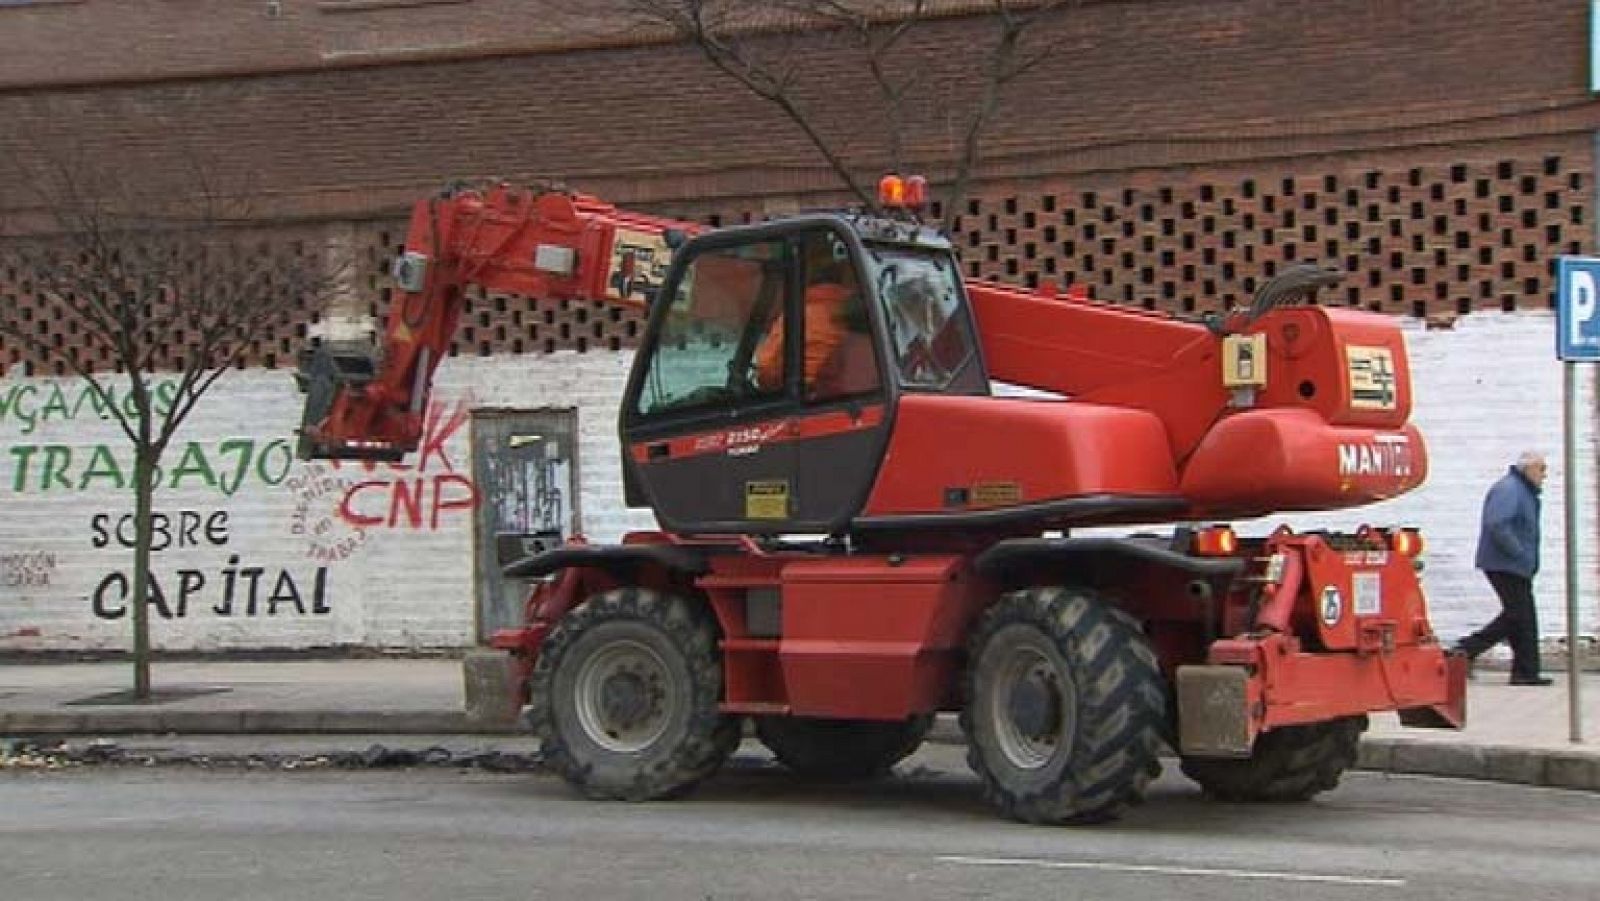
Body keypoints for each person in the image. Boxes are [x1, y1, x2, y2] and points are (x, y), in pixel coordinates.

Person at [1454, 452, 1552, 685]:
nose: (1544, 475)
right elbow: (1497, 522)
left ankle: (1523, 672)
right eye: (1541, 469)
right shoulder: (1510, 489)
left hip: (1513, 564)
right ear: (1528, 469)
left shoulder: (1522, 490)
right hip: (1505, 564)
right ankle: (1465, 651)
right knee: (1520, 615)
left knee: (1519, 616)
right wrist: (1518, 552)